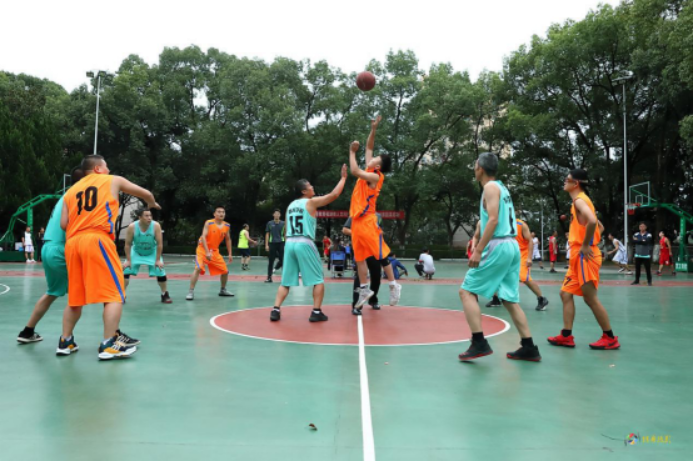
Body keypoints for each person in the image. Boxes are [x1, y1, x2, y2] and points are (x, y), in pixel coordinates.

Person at [60, 155, 158, 360]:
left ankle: (65, 341)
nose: (109, 169)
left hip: (73, 243)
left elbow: (63, 224)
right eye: (106, 166)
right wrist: (151, 203)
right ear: (97, 169)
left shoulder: (70, 191)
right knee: (114, 294)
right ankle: (108, 344)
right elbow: (145, 193)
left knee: (75, 298)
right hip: (97, 239)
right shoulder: (112, 180)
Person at [459, 153, 541, 362]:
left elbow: (493, 220)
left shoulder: (490, 187)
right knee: (509, 299)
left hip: (498, 245)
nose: (474, 168)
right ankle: (529, 346)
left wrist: (478, 250)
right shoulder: (502, 188)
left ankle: (479, 342)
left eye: (475, 165)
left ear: (480, 168)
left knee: (466, 291)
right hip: (512, 245)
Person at [548, 169, 620, 351]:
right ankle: (566, 336)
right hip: (578, 256)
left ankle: (610, 337)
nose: (564, 182)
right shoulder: (579, 201)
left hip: (584, 257)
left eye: (567, 179)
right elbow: (600, 226)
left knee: (590, 299)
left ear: (576, 183)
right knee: (565, 294)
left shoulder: (580, 200)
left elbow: (593, 222)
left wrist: (587, 244)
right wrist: (586, 241)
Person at [270, 165, 348, 322]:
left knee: (286, 281)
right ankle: (316, 311)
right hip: (304, 242)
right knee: (318, 279)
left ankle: (275, 310)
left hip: (289, 242)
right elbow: (333, 195)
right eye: (310, 186)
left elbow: (286, 229)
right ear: (304, 191)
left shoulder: (290, 206)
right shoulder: (310, 202)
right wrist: (343, 178)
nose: (313, 187)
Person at [17, 169, 85, 344]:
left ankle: (27, 331)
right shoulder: (78, 195)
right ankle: (67, 340)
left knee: (52, 292)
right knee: (78, 294)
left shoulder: (66, 196)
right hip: (61, 249)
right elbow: (69, 225)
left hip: (49, 248)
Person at [350, 116, 402, 310]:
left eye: (374, 160)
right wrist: (373, 129)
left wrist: (351, 152)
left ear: (377, 166)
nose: (370, 158)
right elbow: (369, 147)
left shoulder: (374, 177)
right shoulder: (371, 169)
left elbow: (355, 171)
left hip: (368, 220)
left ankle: (394, 285)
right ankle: (364, 288)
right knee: (359, 258)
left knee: (381, 254)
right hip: (357, 221)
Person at [123, 208, 172, 304]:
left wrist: (157, 260)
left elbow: (159, 244)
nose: (149, 218)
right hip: (136, 252)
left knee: (160, 270)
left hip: (152, 252)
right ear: (140, 217)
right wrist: (128, 260)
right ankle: (122, 294)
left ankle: (164, 294)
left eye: (150, 215)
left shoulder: (156, 226)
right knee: (126, 270)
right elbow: (127, 244)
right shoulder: (132, 227)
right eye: (146, 216)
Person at [186, 207, 234, 301]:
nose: (221, 214)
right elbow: (203, 237)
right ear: (214, 214)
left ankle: (223, 290)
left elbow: (228, 239)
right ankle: (190, 292)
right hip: (202, 249)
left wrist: (230, 253)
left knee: (225, 271)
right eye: (219, 212)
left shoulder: (227, 225)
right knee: (198, 268)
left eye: (223, 212)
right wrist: (207, 252)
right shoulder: (209, 223)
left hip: (214, 251)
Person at [344, 216, 383, 313]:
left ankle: (373, 300)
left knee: (376, 276)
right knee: (360, 277)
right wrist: (360, 234)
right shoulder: (355, 215)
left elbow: (380, 231)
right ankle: (356, 305)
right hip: (360, 249)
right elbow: (345, 230)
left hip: (374, 250)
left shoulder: (377, 216)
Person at [516, 219, 550, 311]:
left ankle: (541, 298)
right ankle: (497, 298)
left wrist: (529, 258)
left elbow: (530, 241)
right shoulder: (501, 223)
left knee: (524, 277)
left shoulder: (521, 224)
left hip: (523, 254)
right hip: (511, 254)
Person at [265, 210, 286, 283]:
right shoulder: (269, 223)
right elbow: (267, 234)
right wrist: (266, 245)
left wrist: (286, 244)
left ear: (280, 215)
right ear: (273, 215)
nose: (277, 215)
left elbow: (285, 234)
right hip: (272, 243)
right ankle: (269, 278)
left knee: (283, 261)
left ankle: (285, 279)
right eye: (275, 214)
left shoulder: (283, 223)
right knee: (271, 261)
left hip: (281, 243)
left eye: (278, 214)